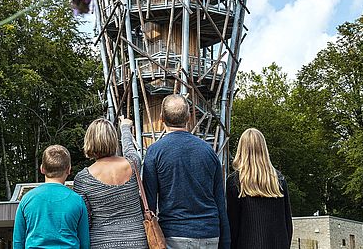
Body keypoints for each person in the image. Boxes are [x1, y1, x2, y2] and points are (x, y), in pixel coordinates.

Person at [143, 94, 231, 249]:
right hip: (209, 234)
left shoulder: (154, 152)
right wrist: (225, 242)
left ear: (162, 118)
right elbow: (219, 201)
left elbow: (149, 204)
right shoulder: (209, 152)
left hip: (173, 235)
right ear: (189, 117)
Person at [73, 117, 148, 249]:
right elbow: (129, 148)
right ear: (113, 139)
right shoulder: (133, 164)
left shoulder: (82, 178)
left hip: (101, 242)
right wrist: (125, 127)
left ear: (90, 141)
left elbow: (85, 220)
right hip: (137, 241)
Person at [226, 128, 293, 249]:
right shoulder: (279, 180)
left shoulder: (235, 182)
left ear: (241, 150)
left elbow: (233, 225)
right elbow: (288, 223)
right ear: (264, 149)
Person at [13, 145, 89, 249]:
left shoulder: (27, 199)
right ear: (68, 169)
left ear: (42, 169)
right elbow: (85, 243)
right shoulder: (77, 201)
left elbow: (18, 242)